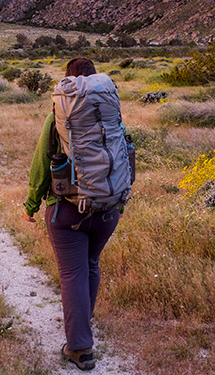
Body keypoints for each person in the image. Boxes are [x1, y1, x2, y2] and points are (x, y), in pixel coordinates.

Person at [23, 57, 123, 371]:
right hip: (108, 208)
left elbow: (41, 165)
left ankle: (79, 347)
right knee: (90, 265)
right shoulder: (111, 114)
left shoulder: (58, 116)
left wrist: (31, 205)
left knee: (72, 275)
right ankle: (82, 325)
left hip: (66, 211)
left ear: (69, 83)